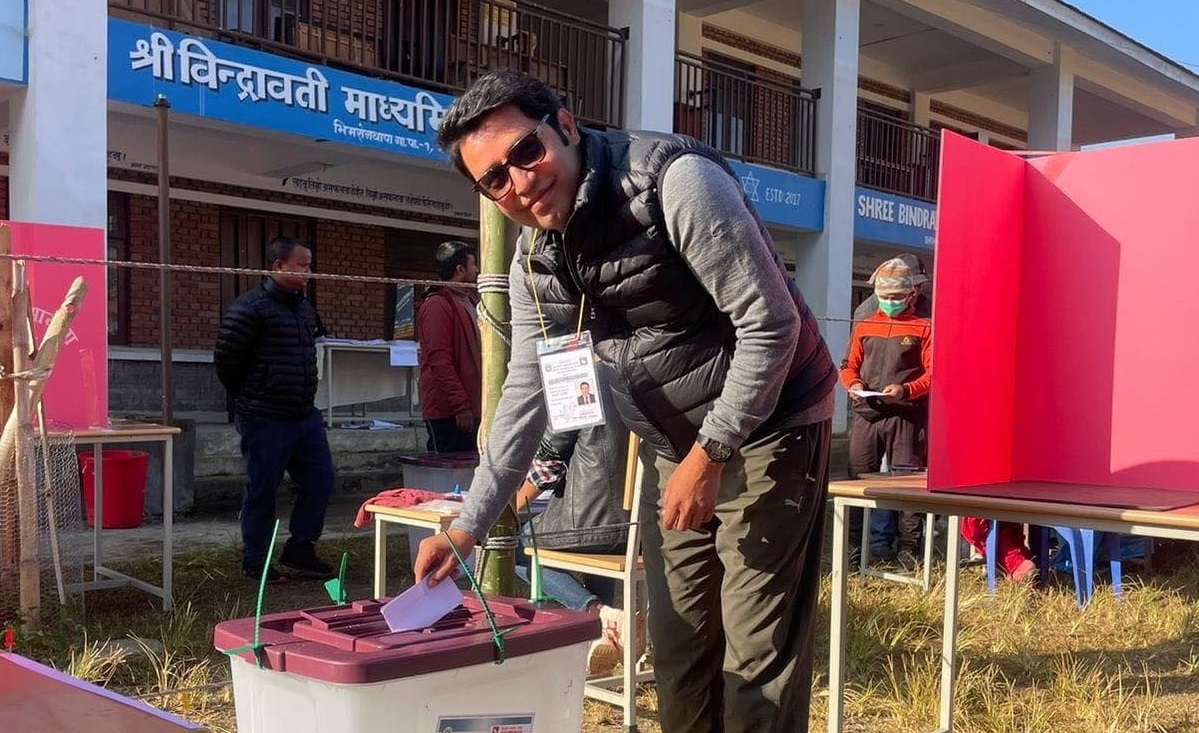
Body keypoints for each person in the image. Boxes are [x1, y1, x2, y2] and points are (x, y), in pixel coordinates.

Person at [414, 69, 837, 733]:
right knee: (677, 646)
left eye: (526, 151)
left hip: (769, 423)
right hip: (674, 441)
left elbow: (770, 323)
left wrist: (713, 448)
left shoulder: (672, 184)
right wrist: (467, 525)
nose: (519, 182)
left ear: (566, 125)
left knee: (756, 655)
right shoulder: (534, 264)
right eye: (494, 178)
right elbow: (529, 391)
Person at [214, 236, 335, 583]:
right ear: (278, 266)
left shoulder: (304, 308)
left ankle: (301, 549)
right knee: (263, 488)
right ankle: (257, 561)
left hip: (303, 415)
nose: (308, 273)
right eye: (302, 265)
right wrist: (252, 396)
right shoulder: (249, 308)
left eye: (310, 266)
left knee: (320, 480)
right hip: (264, 416)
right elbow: (226, 360)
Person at [512, 404, 640, 677]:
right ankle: (605, 636)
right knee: (598, 551)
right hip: (635, 528)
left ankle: (597, 613)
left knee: (516, 546)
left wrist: (511, 506)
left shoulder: (580, 382)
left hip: (586, 522)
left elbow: (548, 465)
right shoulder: (639, 381)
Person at [839, 257, 932, 567]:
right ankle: (853, 548)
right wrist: (852, 384)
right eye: (885, 296)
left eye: (896, 297)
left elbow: (934, 374)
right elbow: (848, 364)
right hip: (867, 414)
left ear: (911, 295)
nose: (890, 302)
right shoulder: (865, 322)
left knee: (907, 485)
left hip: (906, 416)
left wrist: (905, 391)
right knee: (856, 483)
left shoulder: (924, 326)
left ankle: (909, 550)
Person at [416, 241, 482, 453]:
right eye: (473, 265)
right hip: (449, 413)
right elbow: (439, 361)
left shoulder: (470, 302)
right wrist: (460, 406)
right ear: (460, 270)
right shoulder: (437, 305)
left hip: (472, 408)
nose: (478, 270)